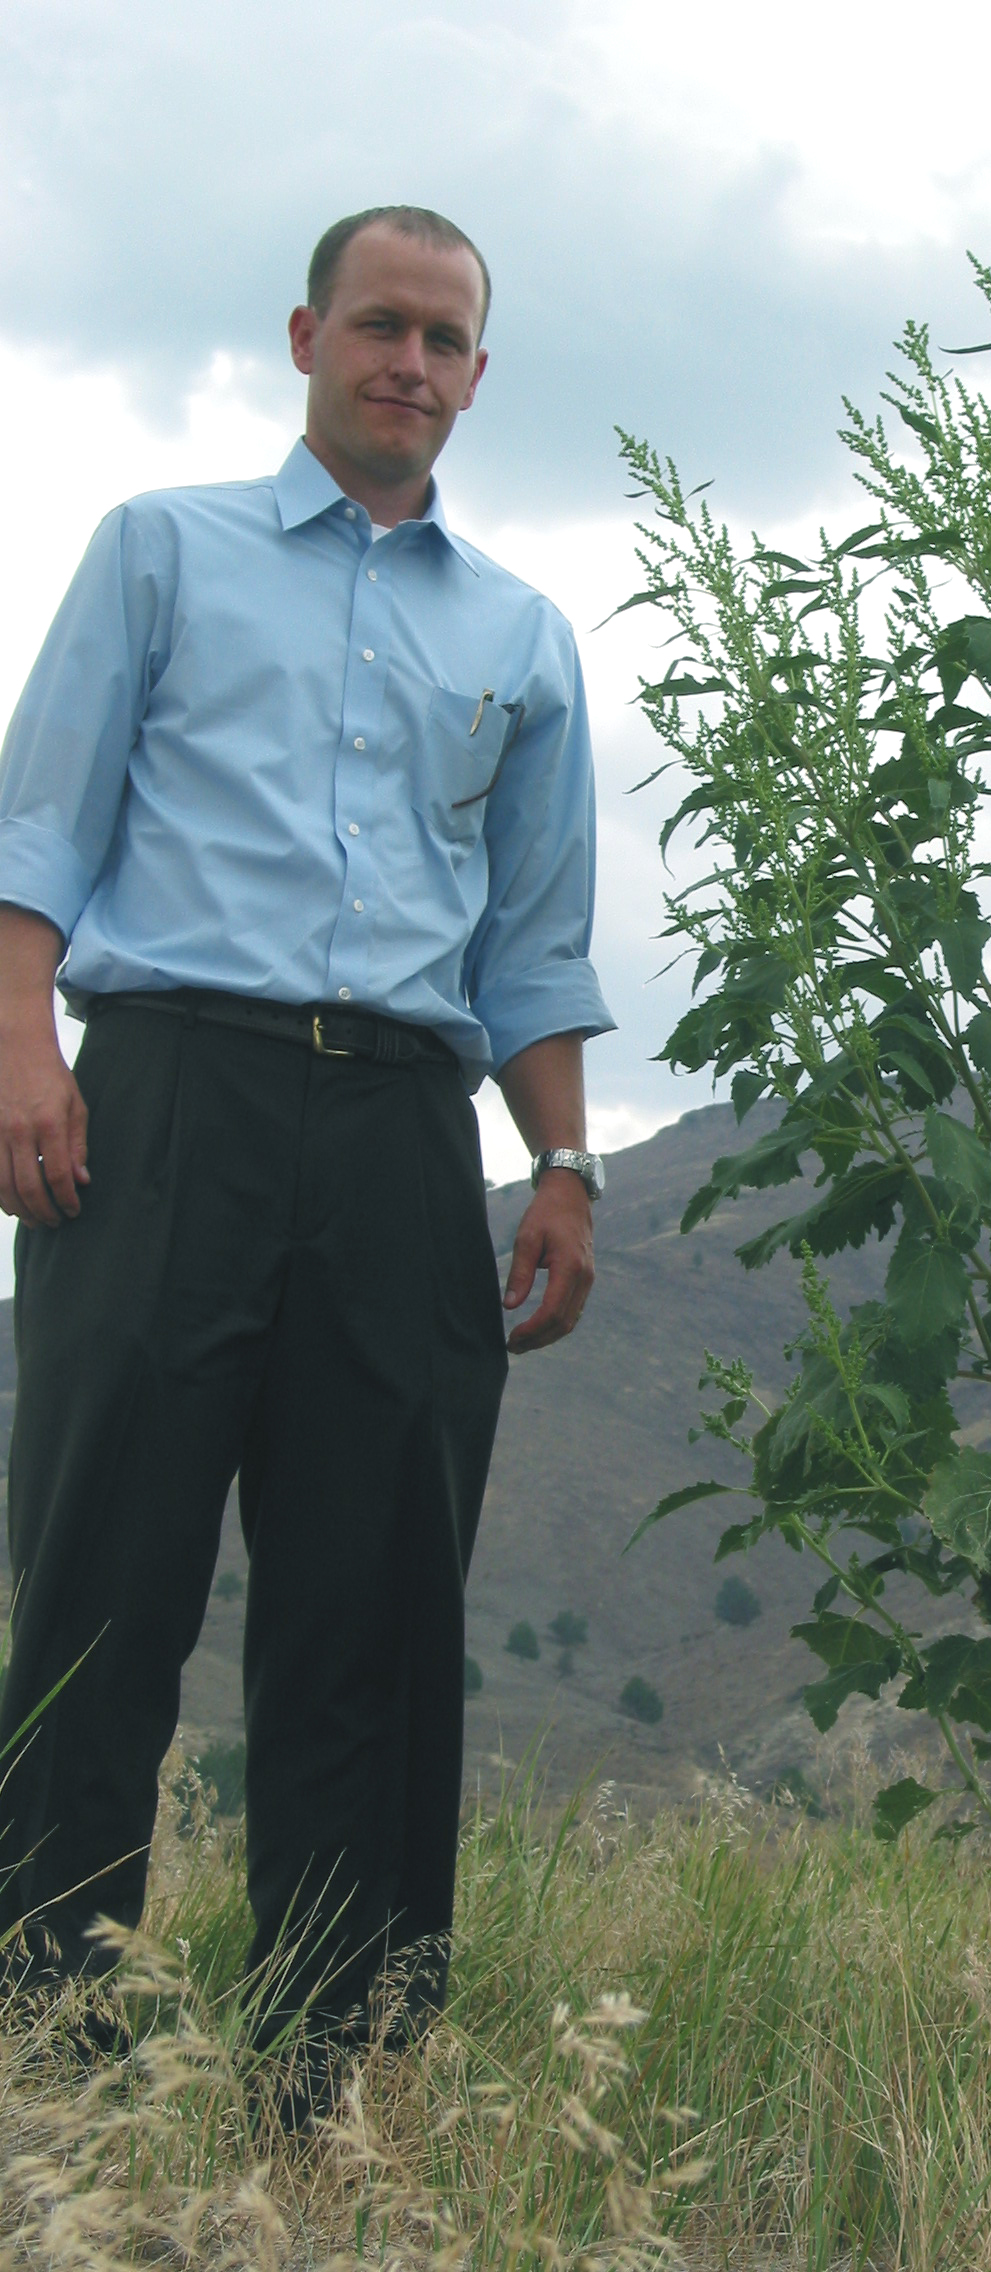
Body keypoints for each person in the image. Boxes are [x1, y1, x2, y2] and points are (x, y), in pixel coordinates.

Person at [0, 206, 612, 2086]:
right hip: (160, 1097)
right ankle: (52, 2059)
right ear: (305, 336)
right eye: (379, 327)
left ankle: (324, 2086)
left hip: (403, 1141)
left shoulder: (522, 636)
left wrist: (567, 1169)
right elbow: (41, 830)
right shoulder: (158, 551)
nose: (408, 365)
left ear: (479, 376)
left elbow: (531, 941)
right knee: (102, 1580)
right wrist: (22, 1044)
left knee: (376, 1611)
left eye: (443, 340)